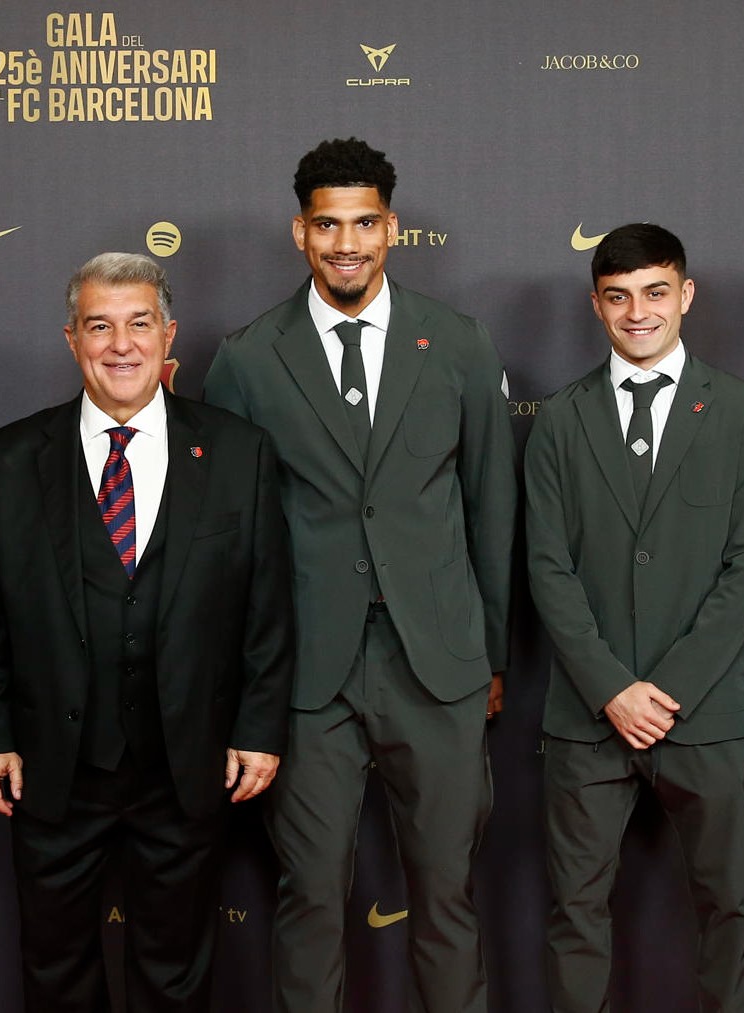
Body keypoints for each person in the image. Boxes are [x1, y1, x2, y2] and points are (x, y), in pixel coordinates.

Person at [204, 137, 515, 1013]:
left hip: (439, 664)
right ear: (299, 231)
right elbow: (227, 539)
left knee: (447, 898)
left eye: (365, 223)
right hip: (307, 672)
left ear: (393, 228)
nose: (347, 242)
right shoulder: (249, 357)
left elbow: (492, 508)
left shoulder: (456, 344)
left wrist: (489, 652)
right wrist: (244, 681)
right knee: (308, 899)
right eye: (328, 224)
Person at [0, 252, 293, 1012]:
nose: (121, 344)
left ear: (168, 335)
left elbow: (267, 609)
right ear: (71, 339)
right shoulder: (8, 460)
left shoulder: (240, 451)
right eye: (99, 326)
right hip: (51, 768)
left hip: (186, 764)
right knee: (55, 969)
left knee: (176, 973)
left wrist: (259, 728)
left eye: (139, 323)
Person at [525, 223, 744, 1011]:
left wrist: (667, 687)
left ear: (686, 295)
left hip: (706, 712)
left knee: (731, 911)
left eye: (656, 292)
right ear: (597, 305)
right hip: (588, 716)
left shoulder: (741, 411)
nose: (638, 312)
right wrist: (611, 688)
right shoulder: (561, 419)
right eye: (618, 296)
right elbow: (547, 567)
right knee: (576, 913)